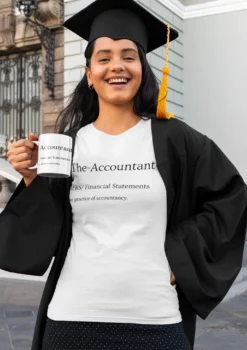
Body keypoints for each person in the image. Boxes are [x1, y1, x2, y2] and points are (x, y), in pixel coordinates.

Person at [0, 0, 247, 349]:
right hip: (72, 319)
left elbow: (231, 198)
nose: (117, 66)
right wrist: (30, 178)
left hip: (155, 320)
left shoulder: (175, 139)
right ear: (89, 74)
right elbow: (44, 235)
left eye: (129, 56)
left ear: (142, 68)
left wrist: (183, 253)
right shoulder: (67, 146)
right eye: (104, 58)